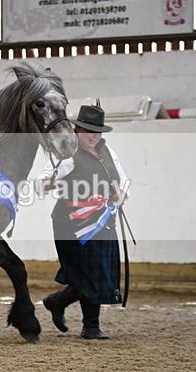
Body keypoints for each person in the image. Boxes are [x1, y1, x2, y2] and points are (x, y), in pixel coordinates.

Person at [36, 102, 129, 339]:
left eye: (97, 131)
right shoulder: (67, 153)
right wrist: (48, 183)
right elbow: (42, 181)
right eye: (88, 131)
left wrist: (120, 194)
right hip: (71, 224)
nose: (93, 136)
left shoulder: (108, 151)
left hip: (103, 221)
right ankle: (91, 327)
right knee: (89, 272)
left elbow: (122, 181)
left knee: (98, 273)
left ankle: (57, 302)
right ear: (77, 129)